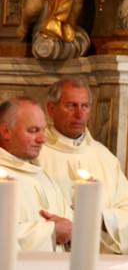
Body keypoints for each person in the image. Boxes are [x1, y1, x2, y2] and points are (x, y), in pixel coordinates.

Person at [36, 78, 128, 254]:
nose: (79, 114)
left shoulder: (103, 156)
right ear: (51, 109)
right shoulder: (35, 154)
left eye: (85, 106)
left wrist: (101, 218)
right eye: (71, 106)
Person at [0, 96, 73, 251]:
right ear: (6, 131)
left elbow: (69, 226)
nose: (43, 139)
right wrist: (51, 232)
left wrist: (70, 230)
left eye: (43, 130)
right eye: (33, 131)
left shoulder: (42, 176)